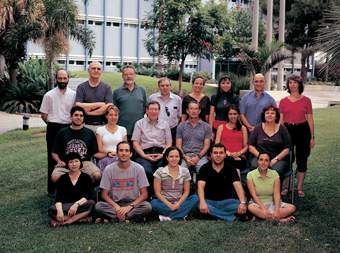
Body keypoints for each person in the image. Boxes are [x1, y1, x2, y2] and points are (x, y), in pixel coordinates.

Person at [95, 141, 152, 222]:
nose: (123, 153)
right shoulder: (109, 169)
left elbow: (144, 194)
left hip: (132, 204)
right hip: (114, 204)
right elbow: (104, 194)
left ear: (131, 154)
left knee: (147, 206)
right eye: (121, 150)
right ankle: (129, 218)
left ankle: (118, 218)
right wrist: (117, 207)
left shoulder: (139, 168)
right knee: (99, 206)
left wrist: (129, 207)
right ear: (117, 153)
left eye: (126, 150)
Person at [40, 69, 76, 196]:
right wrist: (52, 124)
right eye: (60, 78)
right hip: (53, 128)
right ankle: (52, 189)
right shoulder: (49, 95)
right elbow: (44, 115)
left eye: (64, 78)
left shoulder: (73, 94)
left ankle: (67, 187)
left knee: (68, 156)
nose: (62, 81)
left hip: (68, 127)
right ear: (56, 79)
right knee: (53, 158)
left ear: (68, 79)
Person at [279, 75, 315, 197]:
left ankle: (299, 188)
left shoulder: (306, 100)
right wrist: (280, 136)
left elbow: (310, 118)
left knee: (302, 158)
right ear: (288, 85)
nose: (292, 85)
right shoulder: (283, 101)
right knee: (287, 158)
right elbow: (281, 121)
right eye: (290, 83)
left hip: (303, 130)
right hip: (288, 130)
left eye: (295, 82)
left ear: (300, 85)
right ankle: (286, 187)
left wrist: (312, 137)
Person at [197, 143, 247, 222]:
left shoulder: (231, 169)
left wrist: (243, 203)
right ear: (211, 155)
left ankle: (215, 215)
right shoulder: (204, 168)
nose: (218, 155)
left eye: (221, 153)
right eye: (215, 153)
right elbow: (200, 187)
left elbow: (238, 186)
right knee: (199, 204)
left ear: (225, 155)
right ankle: (230, 218)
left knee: (239, 206)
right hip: (209, 202)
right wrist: (202, 202)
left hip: (227, 202)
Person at [51, 106, 101, 183]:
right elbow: (54, 152)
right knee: (55, 177)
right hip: (66, 163)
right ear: (71, 117)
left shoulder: (89, 133)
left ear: (84, 118)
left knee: (97, 175)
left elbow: (94, 153)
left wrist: (108, 153)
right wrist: (59, 161)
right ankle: (66, 193)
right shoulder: (62, 132)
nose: (79, 117)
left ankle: (87, 192)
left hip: (84, 162)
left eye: (81, 115)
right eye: (76, 115)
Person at [151, 147, 198, 221]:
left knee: (195, 199)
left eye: (177, 156)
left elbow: (186, 192)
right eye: (171, 156)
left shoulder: (185, 171)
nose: (174, 159)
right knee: (153, 203)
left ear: (180, 158)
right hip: (164, 203)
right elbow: (157, 193)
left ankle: (168, 217)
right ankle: (181, 215)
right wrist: (170, 205)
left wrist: (178, 204)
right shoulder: (160, 172)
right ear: (167, 158)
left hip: (180, 202)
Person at [48, 152, 95, 227]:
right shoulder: (63, 178)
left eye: (76, 161)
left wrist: (76, 204)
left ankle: (68, 221)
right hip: (66, 206)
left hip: (80, 206)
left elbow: (88, 195)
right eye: (71, 162)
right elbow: (58, 197)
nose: (74, 164)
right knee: (52, 209)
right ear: (67, 164)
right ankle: (81, 219)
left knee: (91, 203)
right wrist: (60, 211)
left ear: (80, 163)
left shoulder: (86, 177)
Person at [247, 152, 296, 223]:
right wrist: (264, 209)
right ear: (257, 161)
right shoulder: (250, 175)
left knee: (292, 208)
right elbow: (253, 195)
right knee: (250, 207)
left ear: (269, 162)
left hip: (272, 203)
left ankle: (262, 217)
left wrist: (276, 210)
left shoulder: (274, 174)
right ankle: (281, 220)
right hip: (257, 204)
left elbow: (276, 194)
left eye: (266, 160)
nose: (263, 162)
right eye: (261, 160)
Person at [132, 101, 172, 186]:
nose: (153, 112)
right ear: (146, 110)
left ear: (159, 111)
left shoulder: (165, 124)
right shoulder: (139, 123)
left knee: (161, 171)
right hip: (144, 154)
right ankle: (148, 195)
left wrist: (163, 154)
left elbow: (169, 143)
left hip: (161, 153)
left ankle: (160, 194)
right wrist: (143, 155)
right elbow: (135, 143)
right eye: (151, 109)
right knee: (146, 171)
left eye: (156, 109)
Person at [248, 105, 291, 180]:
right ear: (264, 116)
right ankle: (257, 190)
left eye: (272, 113)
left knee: (276, 171)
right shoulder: (257, 128)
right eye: (267, 113)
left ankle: (275, 191)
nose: (269, 115)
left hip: (278, 159)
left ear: (276, 116)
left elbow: (287, 149)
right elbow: (251, 146)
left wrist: (275, 160)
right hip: (260, 157)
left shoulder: (283, 129)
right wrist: (261, 158)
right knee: (254, 167)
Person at [75, 61, 113, 131]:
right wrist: (101, 104)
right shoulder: (81, 87)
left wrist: (89, 112)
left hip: (103, 126)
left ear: (101, 71)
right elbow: (78, 105)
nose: (96, 70)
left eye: (98, 69)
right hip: (85, 125)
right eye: (93, 68)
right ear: (88, 70)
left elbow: (109, 106)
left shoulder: (107, 87)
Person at [113, 65, 147, 140]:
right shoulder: (117, 92)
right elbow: (113, 111)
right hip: (122, 130)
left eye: (131, 74)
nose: (128, 76)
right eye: (126, 74)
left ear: (135, 75)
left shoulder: (142, 90)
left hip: (139, 130)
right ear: (122, 76)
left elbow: (145, 109)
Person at [176, 101, 212, 174]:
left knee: (204, 172)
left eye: (196, 109)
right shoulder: (181, 126)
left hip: (201, 156)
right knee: (180, 172)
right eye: (191, 108)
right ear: (187, 111)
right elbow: (178, 146)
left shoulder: (206, 126)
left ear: (199, 111)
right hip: (185, 156)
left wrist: (198, 157)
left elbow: (207, 146)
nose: (194, 111)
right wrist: (185, 157)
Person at [215, 105, 248, 174]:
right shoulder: (221, 127)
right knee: (230, 163)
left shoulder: (243, 128)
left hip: (239, 156)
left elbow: (246, 146)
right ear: (227, 115)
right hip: (223, 155)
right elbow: (216, 144)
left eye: (235, 114)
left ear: (238, 115)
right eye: (230, 114)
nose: (233, 116)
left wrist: (239, 153)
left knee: (235, 163)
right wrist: (228, 153)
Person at [149, 77, 182, 144]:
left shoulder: (177, 99)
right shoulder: (152, 98)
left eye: (167, 85)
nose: (165, 87)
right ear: (159, 87)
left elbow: (180, 115)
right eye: (162, 85)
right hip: (156, 130)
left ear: (170, 86)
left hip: (172, 130)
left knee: (171, 151)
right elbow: (148, 114)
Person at [95, 105, 127, 171]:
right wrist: (109, 152)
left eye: (116, 115)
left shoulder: (123, 129)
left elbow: (125, 147)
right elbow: (100, 148)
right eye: (111, 115)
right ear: (106, 116)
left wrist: (118, 154)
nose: (113, 117)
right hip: (105, 156)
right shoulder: (100, 130)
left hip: (120, 156)